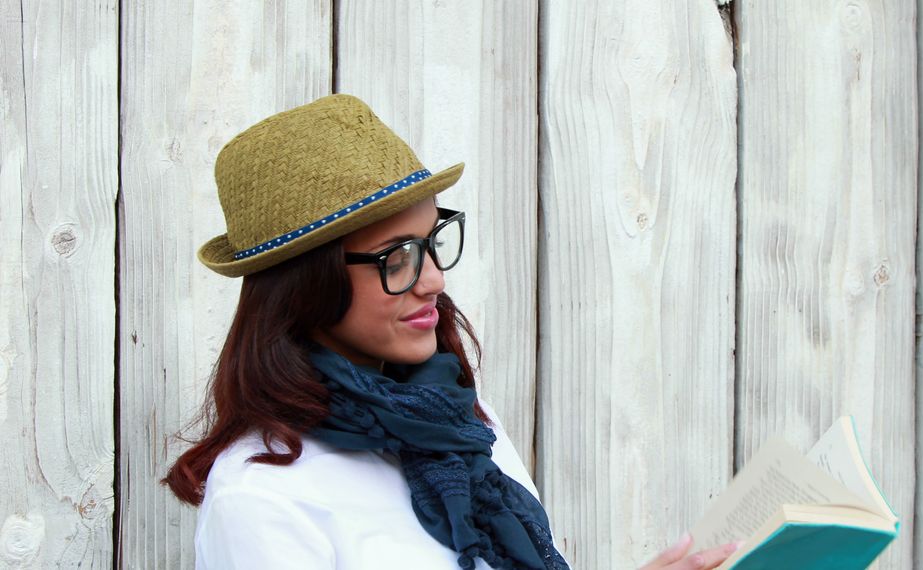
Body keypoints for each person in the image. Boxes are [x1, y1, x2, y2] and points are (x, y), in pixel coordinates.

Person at [164, 94, 739, 569]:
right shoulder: (263, 496)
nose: (434, 280)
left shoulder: (461, 420)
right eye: (397, 258)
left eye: (433, 243)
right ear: (305, 286)